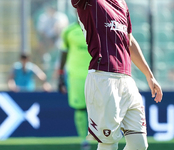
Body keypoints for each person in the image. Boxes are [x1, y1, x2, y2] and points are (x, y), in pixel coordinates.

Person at [71, 1, 163, 150]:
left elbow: (129, 40)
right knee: (108, 144)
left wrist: (149, 75)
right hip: (103, 77)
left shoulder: (122, 3)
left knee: (139, 144)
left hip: (127, 80)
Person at [58, 22, 91, 150]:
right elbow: (64, 52)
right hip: (76, 77)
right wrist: (61, 75)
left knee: (101, 108)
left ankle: (104, 138)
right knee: (80, 109)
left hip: (97, 75)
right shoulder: (68, 31)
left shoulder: (99, 26)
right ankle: (84, 141)